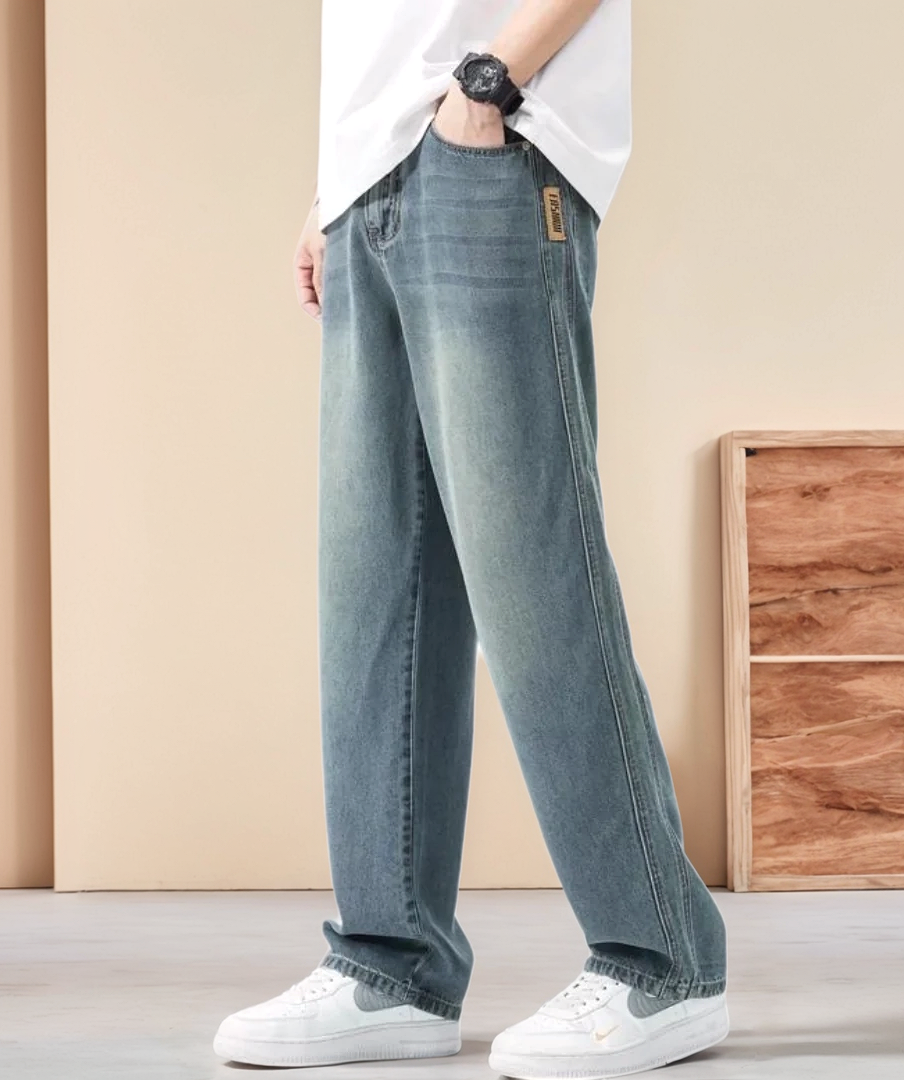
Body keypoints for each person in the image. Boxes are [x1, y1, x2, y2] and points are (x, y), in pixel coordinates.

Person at [214, 0, 729, 1075]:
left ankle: (661, 959)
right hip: (370, 179)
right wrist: (335, 184)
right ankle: (390, 961)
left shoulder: (487, 110)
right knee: (376, 593)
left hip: (489, 147)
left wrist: (487, 84)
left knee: (534, 579)